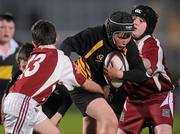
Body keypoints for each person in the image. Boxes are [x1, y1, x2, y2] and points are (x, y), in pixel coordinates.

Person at [2, 20, 106, 134]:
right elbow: (85, 83)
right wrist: (102, 90)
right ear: (56, 38)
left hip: (26, 103)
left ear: (34, 44)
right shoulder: (61, 59)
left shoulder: (34, 54)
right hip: (23, 103)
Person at [59, 11, 146, 134]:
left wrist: (119, 75)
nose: (125, 40)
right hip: (83, 86)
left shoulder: (129, 45)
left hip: (104, 90)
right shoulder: (93, 35)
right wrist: (67, 64)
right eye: (121, 35)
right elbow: (67, 43)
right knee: (110, 121)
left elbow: (141, 74)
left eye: (128, 35)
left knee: (91, 127)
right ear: (110, 33)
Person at [116, 5, 175, 134]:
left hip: (158, 97)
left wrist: (121, 69)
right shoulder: (123, 41)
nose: (135, 22)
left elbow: (146, 64)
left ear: (149, 27)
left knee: (163, 131)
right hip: (133, 100)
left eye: (141, 21)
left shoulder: (151, 44)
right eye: (133, 18)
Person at [0, 13, 21, 122]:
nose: (6, 31)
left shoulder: (22, 50)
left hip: (13, 104)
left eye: (10, 28)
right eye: (2, 27)